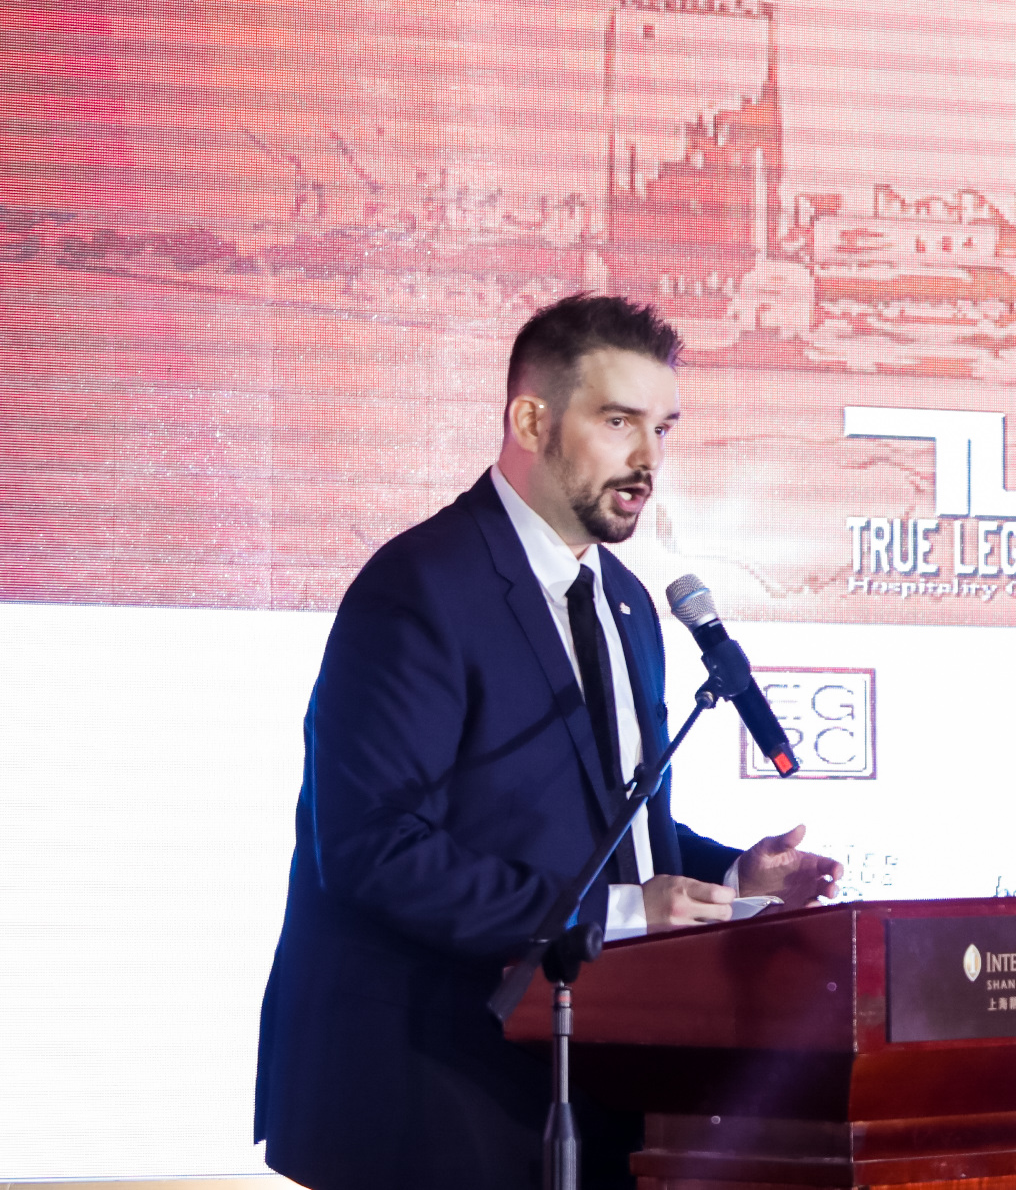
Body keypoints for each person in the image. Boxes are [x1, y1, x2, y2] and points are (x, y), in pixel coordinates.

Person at [255, 294, 839, 1190]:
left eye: (663, 428)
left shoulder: (628, 604)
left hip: (589, 1079)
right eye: (619, 422)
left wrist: (730, 878)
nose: (648, 460)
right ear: (532, 420)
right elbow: (374, 850)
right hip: (430, 1088)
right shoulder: (420, 587)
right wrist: (616, 914)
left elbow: (615, 831)